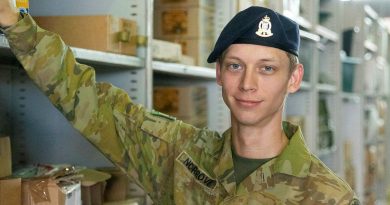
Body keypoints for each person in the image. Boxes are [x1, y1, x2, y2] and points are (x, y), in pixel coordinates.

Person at [0, 0, 359, 204]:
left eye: (267, 69)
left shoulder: (329, 196)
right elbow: (89, 100)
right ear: (219, 74)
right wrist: (16, 22)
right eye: (235, 66)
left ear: (293, 80)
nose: (248, 84)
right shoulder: (180, 156)